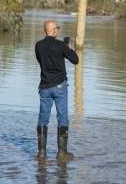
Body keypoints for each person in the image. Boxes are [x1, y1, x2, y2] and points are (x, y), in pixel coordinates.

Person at [35, 20, 79, 160]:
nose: (57, 31)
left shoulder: (38, 46)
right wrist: (69, 48)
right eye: (57, 29)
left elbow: (41, 61)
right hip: (59, 87)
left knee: (43, 119)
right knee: (62, 118)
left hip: (44, 87)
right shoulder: (61, 46)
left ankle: (42, 153)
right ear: (53, 31)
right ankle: (62, 153)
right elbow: (75, 60)